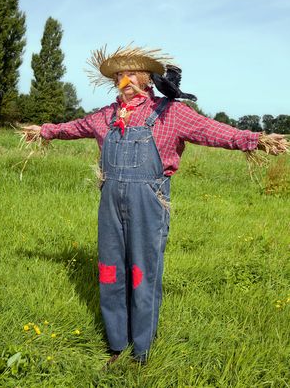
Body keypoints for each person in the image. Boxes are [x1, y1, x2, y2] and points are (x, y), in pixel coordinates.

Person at [23, 45, 288, 364]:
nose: (126, 79)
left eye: (132, 73)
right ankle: (117, 347)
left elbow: (214, 131)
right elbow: (73, 128)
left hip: (149, 203)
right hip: (110, 203)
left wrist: (255, 140)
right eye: (120, 75)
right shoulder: (105, 116)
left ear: (147, 79)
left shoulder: (170, 113)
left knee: (142, 274)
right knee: (110, 272)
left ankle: (142, 353)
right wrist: (44, 132)